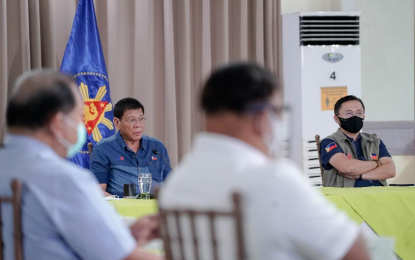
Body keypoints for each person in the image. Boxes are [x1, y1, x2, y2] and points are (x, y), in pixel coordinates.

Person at [159, 63, 370, 260]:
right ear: (262, 118)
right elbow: (356, 252)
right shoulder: (274, 179)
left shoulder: (177, 181)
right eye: (278, 112)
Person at [0, 70, 163, 260]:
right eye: (79, 118)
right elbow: (128, 258)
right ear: (58, 124)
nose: (83, 127)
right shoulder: (63, 179)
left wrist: (124, 236)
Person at [90, 97, 172, 197]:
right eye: (131, 120)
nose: (138, 125)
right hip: (122, 209)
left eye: (141, 119)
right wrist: (119, 203)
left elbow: (171, 183)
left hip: (155, 208)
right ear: (117, 122)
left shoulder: (157, 147)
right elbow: (98, 191)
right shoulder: (103, 149)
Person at [320, 95, 396, 187]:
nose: (355, 117)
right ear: (336, 119)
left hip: (378, 195)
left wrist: (360, 176)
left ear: (364, 116)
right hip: (347, 198)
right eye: (349, 113)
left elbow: (390, 170)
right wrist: (377, 163)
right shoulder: (329, 142)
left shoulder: (375, 142)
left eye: (359, 113)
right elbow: (347, 167)